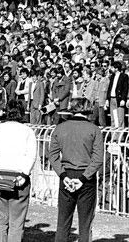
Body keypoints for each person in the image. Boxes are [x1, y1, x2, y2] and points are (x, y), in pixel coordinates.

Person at [49, 99, 104, 242]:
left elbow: (53, 156)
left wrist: (63, 176)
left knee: (63, 222)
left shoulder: (59, 128)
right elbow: (98, 159)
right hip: (86, 177)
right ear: (87, 109)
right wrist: (83, 179)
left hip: (66, 175)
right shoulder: (94, 129)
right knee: (85, 224)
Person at [0, 99, 37, 242]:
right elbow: (31, 155)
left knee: (0, 220)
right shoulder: (28, 131)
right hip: (19, 177)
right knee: (17, 222)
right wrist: (24, 174)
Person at [106, 61, 128, 128]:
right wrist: (107, 99)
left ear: (116, 68)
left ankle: (120, 137)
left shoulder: (124, 76)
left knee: (120, 119)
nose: (110, 68)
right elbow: (109, 88)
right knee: (113, 118)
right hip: (112, 99)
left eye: (112, 67)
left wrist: (123, 99)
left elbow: (125, 88)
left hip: (119, 99)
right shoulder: (112, 76)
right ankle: (114, 137)